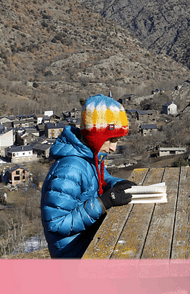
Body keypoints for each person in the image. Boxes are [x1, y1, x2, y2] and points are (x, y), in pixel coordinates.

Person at [41, 94, 136, 258]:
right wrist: (102, 203)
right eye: (111, 140)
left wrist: (119, 184)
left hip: (87, 242)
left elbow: (100, 178)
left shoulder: (89, 157)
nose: (113, 148)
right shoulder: (69, 169)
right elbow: (55, 223)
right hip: (73, 255)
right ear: (96, 138)